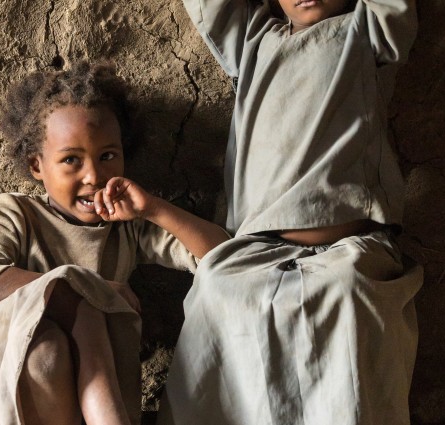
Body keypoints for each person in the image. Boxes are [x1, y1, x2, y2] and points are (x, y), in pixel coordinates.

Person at [156, 0, 423, 424]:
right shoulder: (251, 42)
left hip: (350, 251)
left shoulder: (368, 30)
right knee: (215, 288)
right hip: (255, 255)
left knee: (350, 297)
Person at [0, 60, 229, 425]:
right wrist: (93, 290)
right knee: (77, 313)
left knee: (54, 346)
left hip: (59, 383)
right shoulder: (16, 214)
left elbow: (220, 255)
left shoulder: (126, 224)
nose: (94, 176)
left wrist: (153, 208)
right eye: (71, 159)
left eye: (107, 157)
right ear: (37, 166)